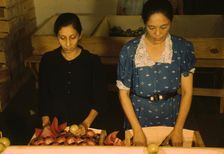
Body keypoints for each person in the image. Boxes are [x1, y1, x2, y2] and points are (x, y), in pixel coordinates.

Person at [117, 0, 195, 146]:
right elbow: (123, 93)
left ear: (171, 22)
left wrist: (178, 129)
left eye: (164, 27)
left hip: (172, 115)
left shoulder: (182, 48)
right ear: (144, 23)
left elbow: (187, 91)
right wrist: (137, 130)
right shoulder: (129, 51)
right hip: (138, 116)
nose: (158, 34)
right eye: (151, 27)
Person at [38, 13, 107, 133]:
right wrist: (46, 123)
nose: (68, 44)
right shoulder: (48, 60)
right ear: (57, 37)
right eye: (62, 38)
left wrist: (86, 124)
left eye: (73, 37)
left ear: (80, 35)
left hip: (86, 124)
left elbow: (100, 99)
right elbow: (43, 95)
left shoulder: (92, 61)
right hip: (55, 126)